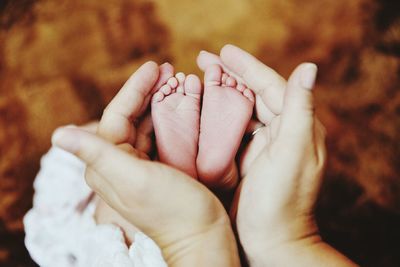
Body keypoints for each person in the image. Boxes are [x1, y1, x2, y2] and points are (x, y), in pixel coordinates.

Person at [26, 44, 357, 266]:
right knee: (90, 181)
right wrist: (286, 240)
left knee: (105, 193)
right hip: (245, 242)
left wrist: (194, 241)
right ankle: (211, 177)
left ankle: (171, 171)